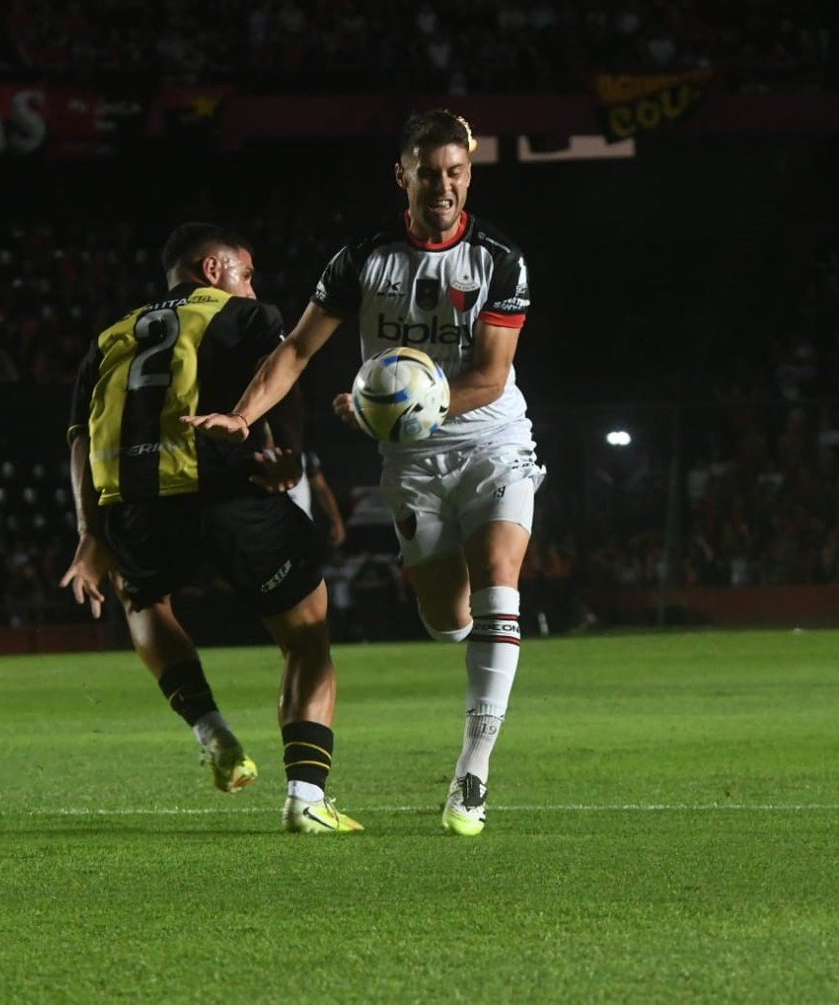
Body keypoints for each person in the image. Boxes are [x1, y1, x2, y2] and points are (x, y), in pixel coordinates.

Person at [185, 109, 544, 836]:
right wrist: (244, 414)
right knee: (446, 619)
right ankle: (471, 618)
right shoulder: (362, 258)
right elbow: (294, 349)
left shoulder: (499, 261)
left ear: (467, 175)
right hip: (411, 459)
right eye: (428, 171)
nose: (442, 185)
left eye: (455, 172)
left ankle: (471, 774)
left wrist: (397, 405)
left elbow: (488, 374)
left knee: (500, 578)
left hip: (492, 438)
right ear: (401, 175)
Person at [59, 222, 362, 833]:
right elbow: (285, 370)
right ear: (212, 270)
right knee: (307, 636)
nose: (251, 287)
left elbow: (78, 441)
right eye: (245, 273)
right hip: (228, 495)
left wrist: (90, 532)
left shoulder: (110, 336)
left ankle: (213, 732)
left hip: (135, 510)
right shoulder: (244, 316)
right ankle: (306, 797)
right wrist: (288, 452)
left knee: (142, 601)